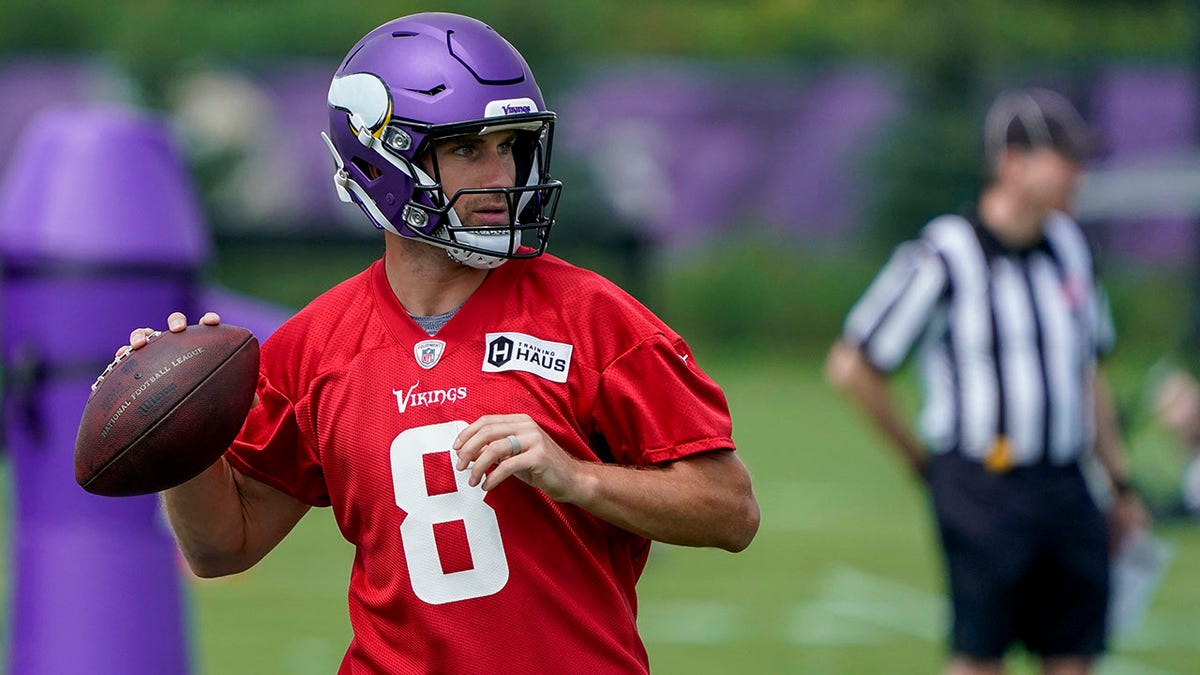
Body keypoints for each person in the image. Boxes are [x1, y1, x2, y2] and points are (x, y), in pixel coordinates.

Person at [120, 12, 759, 673]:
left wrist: (579, 477)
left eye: (510, 146)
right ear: (381, 159)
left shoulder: (594, 318)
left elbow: (731, 510)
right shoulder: (313, 344)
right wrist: (181, 426)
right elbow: (223, 547)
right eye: (466, 149)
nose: (501, 174)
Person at [825, 88, 1148, 675]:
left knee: (1075, 655)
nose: (1079, 173)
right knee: (979, 655)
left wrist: (1119, 484)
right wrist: (926, 465)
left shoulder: (1072, 247)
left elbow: (1089, 372)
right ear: (1013, 162)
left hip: (1066, 483)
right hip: (984, 483)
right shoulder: (945, 253)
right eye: (1065, 157)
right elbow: (853, 365)